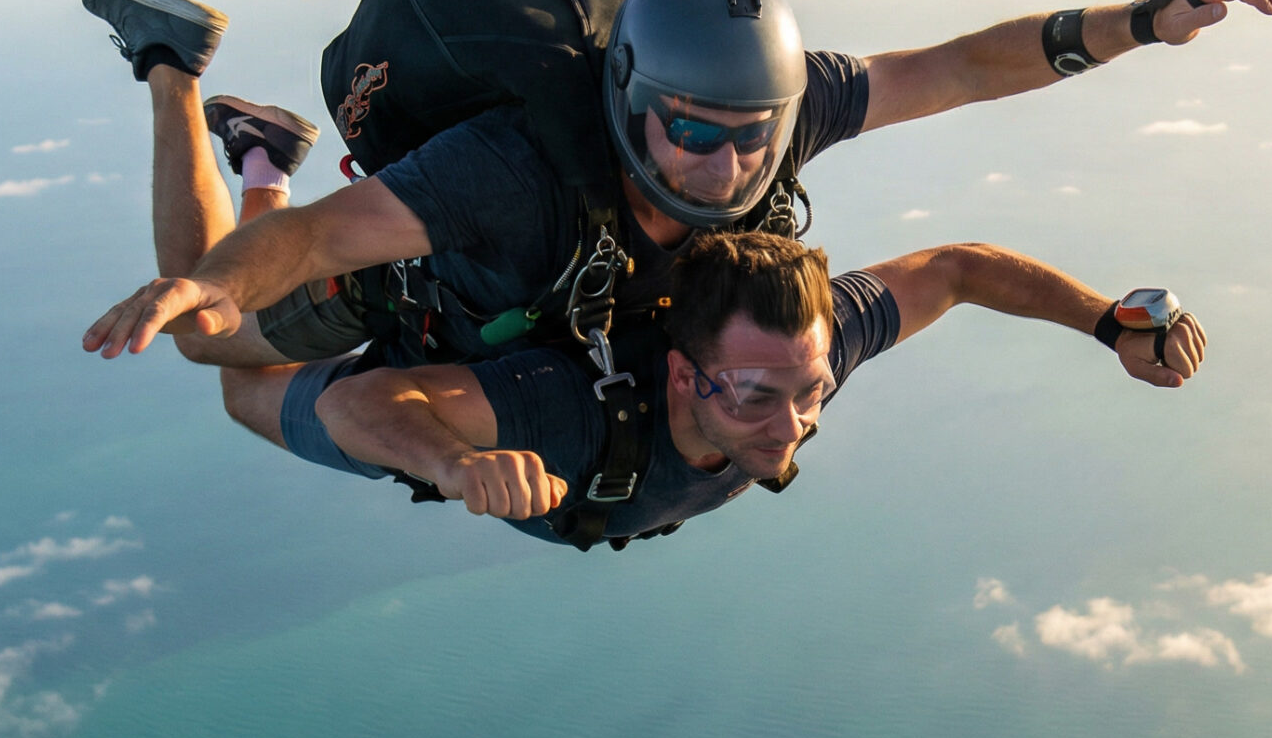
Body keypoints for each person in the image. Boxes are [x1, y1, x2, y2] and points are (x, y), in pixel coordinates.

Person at [75, 0, 1272, 375]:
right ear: (626, 96)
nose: (717, 161)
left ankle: (260, 146)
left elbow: (964, 68)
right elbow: (328, 241)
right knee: (209, 348)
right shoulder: (516, 164)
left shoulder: (784, 103)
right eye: (688, 129)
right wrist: (220, 285)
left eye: (746, 134)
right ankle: (176, 65)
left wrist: (1142, 19)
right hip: (427, 273)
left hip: (550, 288)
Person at [209, 230, 1208, 549]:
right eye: (754, 398)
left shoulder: (798, 354)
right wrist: (456, 462)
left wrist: (1105, 324)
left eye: (810, 389)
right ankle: (179, 76)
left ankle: (260, 156)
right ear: (682, 373)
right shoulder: (566, 405)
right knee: (221, 370)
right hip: (479, 400)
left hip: (572, 479)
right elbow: (357, 405)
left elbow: (955, 271)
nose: (794, 422)